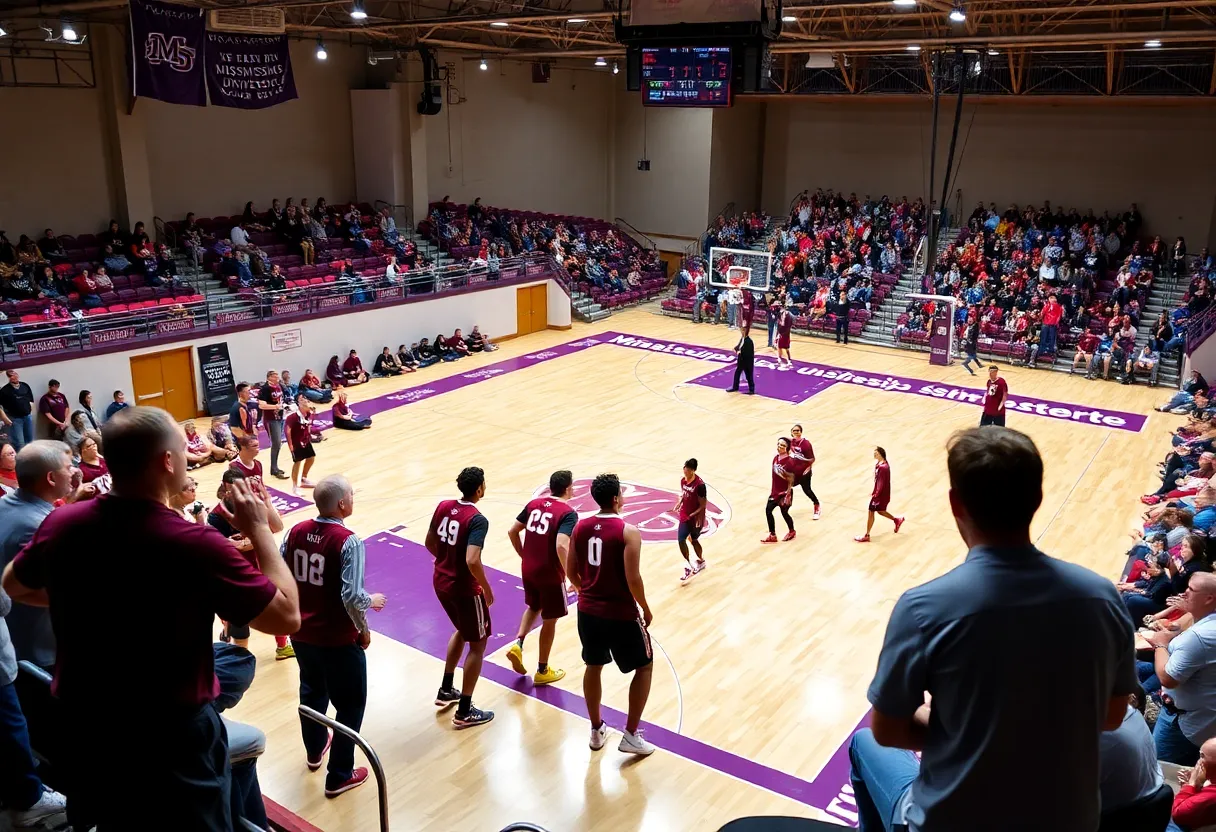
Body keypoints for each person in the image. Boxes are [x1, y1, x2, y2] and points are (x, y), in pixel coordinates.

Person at [1, 407, 301, 830]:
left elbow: (11, 583)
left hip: (88, 725)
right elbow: (286, 617)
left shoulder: (63, 521)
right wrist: (261, 532)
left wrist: (90, 599)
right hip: (170, 737)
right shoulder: (194, 543)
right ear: (167, 461)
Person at [849, 426, 1139, 832]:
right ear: (1037, 499)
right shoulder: (1103, 598)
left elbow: (888, 728)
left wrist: (968, 729)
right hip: (1067, 821)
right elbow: (1111, 716)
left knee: (862, 745)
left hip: (953, 821)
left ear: (955, 504)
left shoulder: (922, 608)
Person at [284, 474, 386, 799]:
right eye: (352, 494)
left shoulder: (294, 531)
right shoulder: (349, 541)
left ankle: (315, 752)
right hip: (337, 640)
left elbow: (282, 576)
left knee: (312, 694)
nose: (354, 498)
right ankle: (339, 775)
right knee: (350, 705)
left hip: (302, 634)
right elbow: (352, 596)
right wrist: (364, 629)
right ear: (342, 504)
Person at [568, 473, 656, 756]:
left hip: (588, 611)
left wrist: (588, 591)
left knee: (593, 666)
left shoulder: (580, 528)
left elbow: (571, 572)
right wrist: (645, 606)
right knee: (644, 667)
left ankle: (596, 729)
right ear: (617, 498)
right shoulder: (628, 532)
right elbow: (633, 578)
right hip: (620, 612)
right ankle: (630, 734)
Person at [0, 441, 78, 673]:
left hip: (16, 637)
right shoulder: (42, 526)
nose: (74, 470)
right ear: (51, 478)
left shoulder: (5, 504)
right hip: (44, 647)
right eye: (68, 466)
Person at [426, 466, 495, 728]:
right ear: (479, 489)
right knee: (478, 644)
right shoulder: (478, 520)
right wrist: (486, 587)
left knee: (461, 630)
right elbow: (472, 559)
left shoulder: (443, 506)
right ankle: (465, 710)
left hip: (440, 580)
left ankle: (446, 689)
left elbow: (429, 542)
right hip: (464, 588)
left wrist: (445, 561)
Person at [504, 469, 578, 686]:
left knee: (533, 606)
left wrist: (523, 555)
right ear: (567, 489)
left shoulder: (534, 504)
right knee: (550, 619)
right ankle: (543, 669)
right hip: (549, 573)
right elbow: (562, 545)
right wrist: (572, 576)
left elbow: (512, 531)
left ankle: (518, 643)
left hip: (528, 568)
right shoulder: (567, 513)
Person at [1142, 571, 1216, 765]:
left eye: (1191, 589)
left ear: (1209, 598)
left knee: (1158, 768)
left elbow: (1168, 678)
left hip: (1184, 724)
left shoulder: (1199, 637)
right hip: (1202, 719)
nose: (1184, 593)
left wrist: (1160, 644)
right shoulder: (1205, 624)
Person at [855, 446, 904, 543]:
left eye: (876, 453)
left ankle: (867, 535)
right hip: (882, 494)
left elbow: (881, 482)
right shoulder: (881, 464)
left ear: (881, 454)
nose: (874, 454)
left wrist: (876, 494)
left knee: (871, 511)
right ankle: (897, 520)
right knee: (881, 511)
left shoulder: (883, 467)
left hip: (880, 495)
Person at [671, 459, 708, 584]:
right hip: (684, 515)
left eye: (687, 469)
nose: (685, 470)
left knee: (694, 540)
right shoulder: (683, 480)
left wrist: (692, 515)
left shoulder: (700, 485)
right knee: (681, 539)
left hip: (696, 518)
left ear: (693, 470)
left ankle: (701, 560)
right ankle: (690, 564)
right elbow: (684, 494)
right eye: (684, 467)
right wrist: (680, 503)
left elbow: (703, 505)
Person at [1171, 737, 1216, 830]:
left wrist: (1190, 784)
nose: (1199, 761)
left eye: (1202, 756)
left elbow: (1178, 814)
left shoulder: (1211, 795)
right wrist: (1198, 784)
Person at [761, 437, 796, 544]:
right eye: (779, 444)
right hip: (775, 492)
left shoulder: (789, 462)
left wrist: (788, 494)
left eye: (783, 445)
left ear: (787, 448)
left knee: (784, 513)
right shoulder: (776, 458)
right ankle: (772, 535)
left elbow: (791, 479)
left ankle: (792, 531)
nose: (780, 447)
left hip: (784, 493)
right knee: (768, 511)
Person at [258, 370, 289, 480]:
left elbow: (281, 400)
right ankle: (274, 468)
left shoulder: (279, 386)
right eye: (275, 377)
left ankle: (274, 467)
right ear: (269, 377)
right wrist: (275, 407)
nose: (278, 378)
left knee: (278, 443)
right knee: (276, 443)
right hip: (270, 419)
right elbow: (262, 405)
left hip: (280, 417)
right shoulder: (265, 389)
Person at [285, 395, 317, 496]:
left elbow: (308, 426)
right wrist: (290, 445)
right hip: (296, 442)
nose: (305, 401)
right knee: (297, 462)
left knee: (311, 458)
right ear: (298, 403)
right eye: (302, 400)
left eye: (305, 399)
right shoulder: (293, 417)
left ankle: (304, 478)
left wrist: (309, 435)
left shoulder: (308, 413)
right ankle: (295, 486)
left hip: (305, 440)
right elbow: (287, 431)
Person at [790, 424, 821, 521]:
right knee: (788, 485)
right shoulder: (791, 442)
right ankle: (786, 504)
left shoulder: (806, 444)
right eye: (794, 430)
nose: (796, 432)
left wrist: (807, 469)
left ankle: (816, 504)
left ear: (801, 432)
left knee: (807, 490)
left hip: (804, 472)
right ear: (791, 432)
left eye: (798, 430)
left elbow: (812, 459)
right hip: (795, 471)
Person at [0, 371, 35, 450]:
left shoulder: (25, 386)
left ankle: (30, 459)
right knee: (19, 443)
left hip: (27, 417)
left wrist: (30, 411)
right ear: (9, 378)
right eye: (11, 376)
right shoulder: (5, 390)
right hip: (15, 419)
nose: (14, 377)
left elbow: (30, 400)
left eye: (15, 374)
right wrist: (5, 418)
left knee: (29, 440)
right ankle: (20, 460)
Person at [726, 328, 755, 394]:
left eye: (742, 330)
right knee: (737, 373)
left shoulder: (749, 341)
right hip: (741, 360)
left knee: (749, 375)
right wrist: (735, 348)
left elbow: (747, 353)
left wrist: (739, 353)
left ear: (745, 332)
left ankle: (752, 390)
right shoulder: (742, 339)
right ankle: (735, 387)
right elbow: (739, 345)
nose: (741, 332)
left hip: (747, 361)